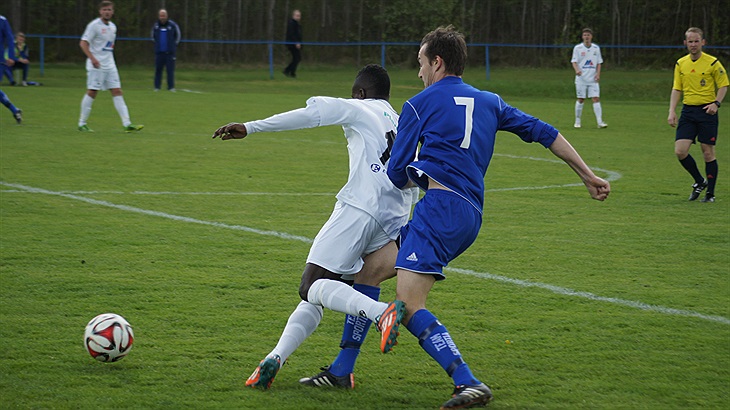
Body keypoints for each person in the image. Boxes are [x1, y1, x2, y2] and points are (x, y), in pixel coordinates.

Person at [302, 26, 610, 409]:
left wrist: (407, 162)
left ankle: (468, 382)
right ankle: (341, 371)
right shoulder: (490, 101)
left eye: (421, 63)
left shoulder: (419, 104)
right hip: (469, 213)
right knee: (369, 271)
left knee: (408, 304)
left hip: (440, 209)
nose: (419, 72)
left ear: (437, 62)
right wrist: (588, 175)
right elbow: (544, 132)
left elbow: (396, 174)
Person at [211, 64, 417, 390]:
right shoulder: (401, 120)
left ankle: (381, 313)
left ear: (360, 92)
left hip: (360, 208)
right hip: (393, 219)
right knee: (323, 291)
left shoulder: (359, 107)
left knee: (310, 285)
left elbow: (312, 114)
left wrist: (250, 127)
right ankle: (275, 358)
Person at [668, 27, 728, 203]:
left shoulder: (713, 63)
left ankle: (710, 194)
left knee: (708, 153)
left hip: (707, 112)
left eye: (696, 41)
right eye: (690, 41)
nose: (693, 44)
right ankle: (700, 181)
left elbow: (724, 84)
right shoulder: (681, 63)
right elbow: (677, 88)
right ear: (685, 43)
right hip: (688, 111)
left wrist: (716, 103)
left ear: (703, 42)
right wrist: (672, 110)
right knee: (680, 151)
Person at [78, 1, 143, 133]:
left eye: (109, 10)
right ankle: (82, 123)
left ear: (112, 12)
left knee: (117, 91)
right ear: (100, 11)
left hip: (110, 65)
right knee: (92, 92)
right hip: (96, 65)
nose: (107, 12)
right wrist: (92, 58)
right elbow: (83, 43)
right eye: (104, 10)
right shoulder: (94, 25)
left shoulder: (113, 27)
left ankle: (127, 124)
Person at [571, 28, 607, 129]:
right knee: (581, 99)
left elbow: (599, 63)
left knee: (596, 98)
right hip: (581, 79)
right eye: (585, 35)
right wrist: (577, 70)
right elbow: (574, 61)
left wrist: (598, 74)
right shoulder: (578, 48)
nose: (586, 37)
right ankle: (577, 121)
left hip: (593, 79)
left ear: (591, 36)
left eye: (588, 35)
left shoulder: (596, 48)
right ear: (582, 37)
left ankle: (599, 122)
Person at [151, 9, 181, 92]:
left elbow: (178, 36)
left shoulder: (172, 25)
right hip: (159, 53)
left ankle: (171, 87)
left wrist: (173, 46)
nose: (162, 17)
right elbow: (153, 37)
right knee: (158, 70)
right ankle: (157, 87)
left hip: (170, 53)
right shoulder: (156, 26)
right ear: (159, 16)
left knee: (170, 71)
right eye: (161, 16)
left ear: (166, 16)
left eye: (163, 15)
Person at [0, 15, 21, 124]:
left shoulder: (2, 20)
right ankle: (15, 110)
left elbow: (9, 38)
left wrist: (11, 56)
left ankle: (14, 110)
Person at [282, 9, 302, 78]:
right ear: (293, 16)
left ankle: (290, 71)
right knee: (297, 58)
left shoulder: (297, 24)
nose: (298, 17)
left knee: (297, 58)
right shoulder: (291, 23)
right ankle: (288, 71)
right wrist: (296, 42)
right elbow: (291, 34)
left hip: (295, 43)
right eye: (297, 15)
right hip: (292, 44)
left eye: (299, 16)